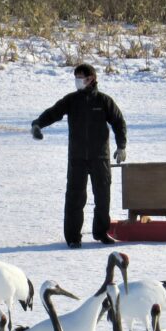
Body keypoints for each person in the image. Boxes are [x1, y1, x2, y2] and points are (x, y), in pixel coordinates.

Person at [31, 63, 127, 249]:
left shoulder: (104, 101)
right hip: (77, 158)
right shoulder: (71, 100)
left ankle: (101, 233)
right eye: (76, 77)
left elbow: (118, 123)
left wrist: (121, 146)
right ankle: (73, 237)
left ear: (91, 78)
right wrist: (37, 125)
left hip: (100, 158)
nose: (77, 81)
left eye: (80, 77)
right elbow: (53, 113)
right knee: (75, 198)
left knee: (102, 197)